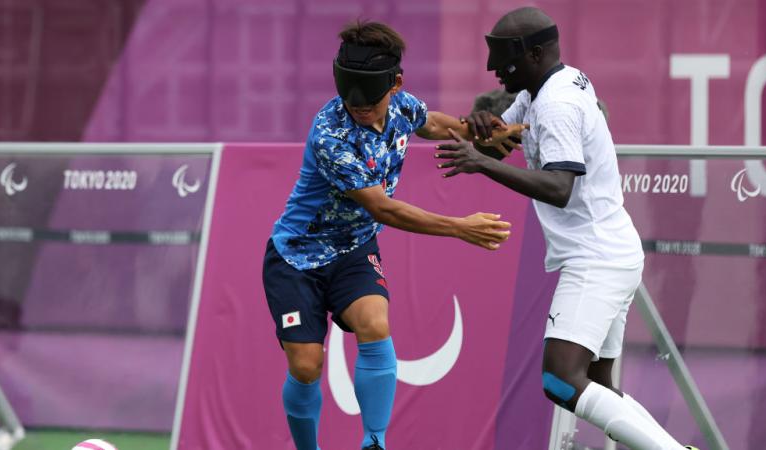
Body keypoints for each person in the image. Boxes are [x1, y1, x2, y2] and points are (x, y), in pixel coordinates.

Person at [435, 7, 698, 450]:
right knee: (598, 386)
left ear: (535, 53)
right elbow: (500, 142)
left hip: (595, 260)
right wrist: (479, 131)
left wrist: (478, 162)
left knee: (561, 380)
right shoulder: (547, 87)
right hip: (615, 252)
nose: (492, 69)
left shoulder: (555, 104)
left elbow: (559, 187)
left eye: (502, 58)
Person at [263, 20, 522, 450]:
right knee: (307, 366)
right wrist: (460, 227)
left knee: (375, 323)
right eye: (349, 95)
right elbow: (383, 208)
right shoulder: (331, 134)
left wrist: (471, 129)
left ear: (396, 83)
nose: (358, 106)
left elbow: (431, 123)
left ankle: (375, 443)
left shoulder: (402, 105)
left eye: (369, 96)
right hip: (297, 258)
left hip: (353, 250)